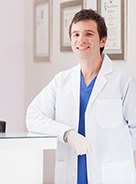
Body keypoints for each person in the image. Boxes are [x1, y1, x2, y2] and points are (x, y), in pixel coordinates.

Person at [26, 9, 136, 184]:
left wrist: (115, 150)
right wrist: (67, 134)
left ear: (102, 40)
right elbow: (33, 116)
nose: (81, 40)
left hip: (111, 175)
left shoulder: (123, 80)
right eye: (75, 34)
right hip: (71, 172)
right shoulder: (61, 81)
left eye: (89, 34)